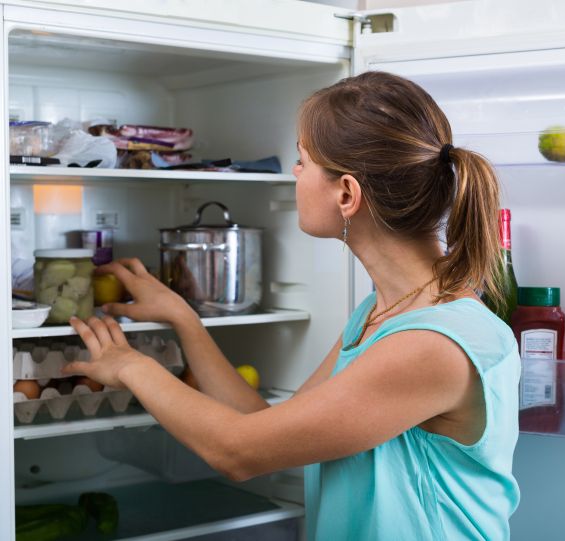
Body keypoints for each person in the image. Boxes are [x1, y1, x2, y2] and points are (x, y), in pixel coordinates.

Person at [63, 71, 521, 540]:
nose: (294, 174)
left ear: (346, 193)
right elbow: (263, 428)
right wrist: (184, 318)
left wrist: (130, 367)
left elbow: (237, 452)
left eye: (303, 161)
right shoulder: (381, 313)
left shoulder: (434, 345)